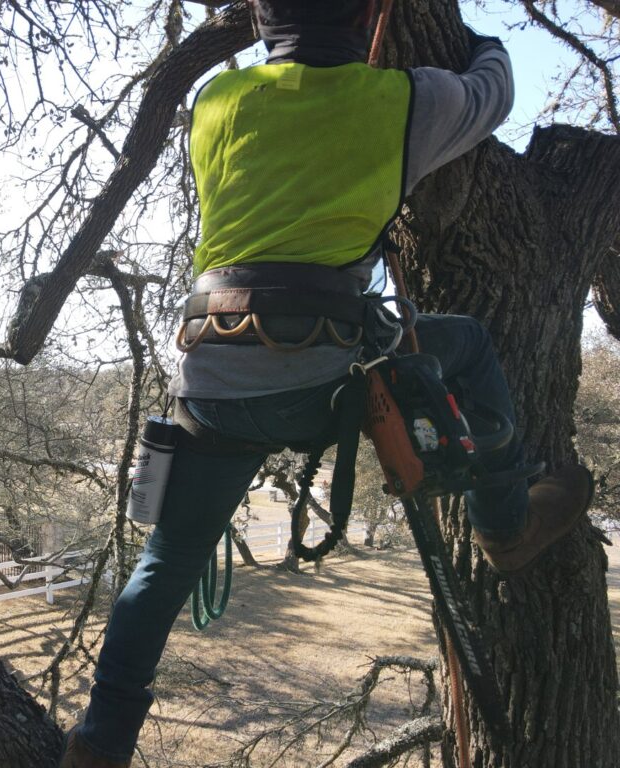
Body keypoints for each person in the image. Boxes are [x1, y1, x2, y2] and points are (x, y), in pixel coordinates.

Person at [60, 2, 593, 766]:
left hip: (212, 385)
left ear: (260, 15)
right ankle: (506, 525)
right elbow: (495, 88)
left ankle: (99, 744)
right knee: (468, 344)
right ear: (369, 12)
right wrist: (474, 39)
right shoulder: (407, 102)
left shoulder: (214, 100)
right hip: (327, 384)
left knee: (165, 566)